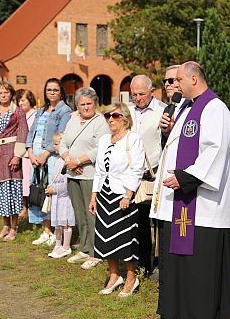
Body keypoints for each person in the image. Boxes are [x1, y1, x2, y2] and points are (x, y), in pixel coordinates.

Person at [149, 61, 230, 319]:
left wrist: (186, 177)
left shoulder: (215, 108)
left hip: (202, 202)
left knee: (200, 264)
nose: (175, 85)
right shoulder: (186, 108)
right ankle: (179, 313)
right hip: (181, 198)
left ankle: (203, 316)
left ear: (193, 79)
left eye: (178, 80)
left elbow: (216, 150)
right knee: (180, 262)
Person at [90, 102, 144, 297]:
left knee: (125, 238)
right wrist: (94, 196)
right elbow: (99, 170)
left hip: (123, 195)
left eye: (116, 116)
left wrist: (128, 195)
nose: (111, 119)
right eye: (108, 116)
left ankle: (131, 277)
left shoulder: (133, 139)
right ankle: (114, 275)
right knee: (105, 237)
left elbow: (137, 169)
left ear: (126, 119)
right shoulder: (105, 139)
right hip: (104, 194)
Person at [61, 88, 109, 269]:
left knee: (91, 213)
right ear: (77, 106)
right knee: (79, 212)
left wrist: (79, 161)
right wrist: (68, 160)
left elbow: (100, 148)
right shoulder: (72, 120)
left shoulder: (100, 122)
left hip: (90, 174)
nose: (86, 107)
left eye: (89, 103)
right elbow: (64, 143)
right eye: (82, 104)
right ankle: (84, 247)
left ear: (95, 104)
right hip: (72, 173)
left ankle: (96, 252)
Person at [26, 78, 71, 246]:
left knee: (51, 192)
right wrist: (30, 152)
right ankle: (45, 230)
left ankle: (55, 231)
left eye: (55, 90)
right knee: (38, 191)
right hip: (35, 156)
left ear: (61, 92)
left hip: (51, 156)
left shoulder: (64, 110)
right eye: (49, 90)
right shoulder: (41, 110)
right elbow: (32, 132)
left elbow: (61, 135)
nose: (52, 92)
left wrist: (45, 154)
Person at [129, 75, 166, 275]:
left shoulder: (161, 111)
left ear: (152, 91)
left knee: (157, 222)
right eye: (134, 94)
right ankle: (142, 262)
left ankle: (159, 260)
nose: (138, 98)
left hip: (153, 173)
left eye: (141, 94)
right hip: (131, 175)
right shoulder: (127, 111)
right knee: (139, 222)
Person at [0, 81, 28, 241]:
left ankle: (14, 227)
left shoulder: (17, 112)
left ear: (11, 94)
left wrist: (18, 155)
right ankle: (5, 225)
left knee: (13, 190)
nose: (3, 95)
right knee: (0, 191)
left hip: (11, 152)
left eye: (6, 92)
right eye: (0, 93)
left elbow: (23, 131)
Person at [46, 133, 75, 259]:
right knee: (57, 222)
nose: (54, 146)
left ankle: (66, 246)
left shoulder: (68, 162)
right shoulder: (58, 161)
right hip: (57, 198)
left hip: (64, 198)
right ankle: (58, 244)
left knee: (65, 222)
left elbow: (67, 184)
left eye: (57, 144)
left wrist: (55, 189)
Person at [16, 89, 37, 220]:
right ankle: (23, 206)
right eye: (19, 100)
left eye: (23, 100)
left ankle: (30, 207)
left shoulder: (35, 114)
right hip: (19, 152)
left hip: (30, 153)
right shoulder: (18, 114)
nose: (20, 103)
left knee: (29, 182)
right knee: (22, 182)